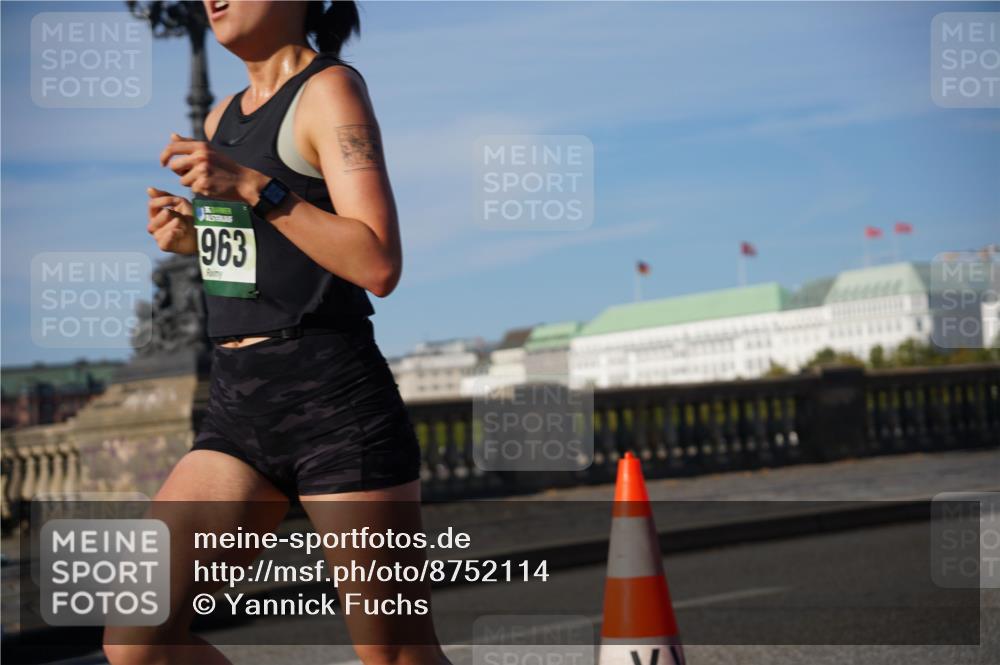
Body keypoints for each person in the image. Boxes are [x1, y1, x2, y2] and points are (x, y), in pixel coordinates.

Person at [103, 2, 449, 663]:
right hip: (237, 407)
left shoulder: (330, 91)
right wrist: (196, 240)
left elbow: (378, 261)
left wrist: (253, 187)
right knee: (136, 640)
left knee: (397, 654)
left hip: (334, 404)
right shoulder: (220, 119)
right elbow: (267, 264)